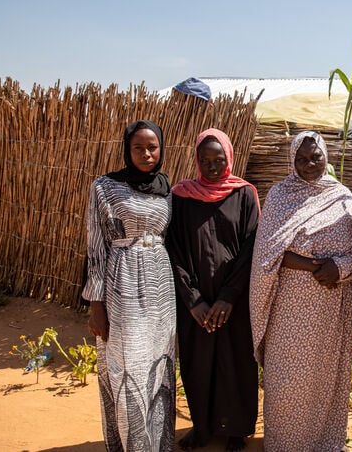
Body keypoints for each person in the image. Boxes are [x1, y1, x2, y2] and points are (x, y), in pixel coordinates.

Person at [249, 131, 352, 452]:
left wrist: (338, 269)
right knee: (287, 384)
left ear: (326, 157)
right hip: (288, 311)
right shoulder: (279, 196)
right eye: (301, 158)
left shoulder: (343, 197)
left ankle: (325, 444)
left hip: (330, 310)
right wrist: (316, 267)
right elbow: (267, 253)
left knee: (325, 382)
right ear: (291, 160)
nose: (309, 164)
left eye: (315, 157)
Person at [83, 120, 176, 451]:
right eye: (139, 147)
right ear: (127, 149)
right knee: (128, 363)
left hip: (162, 288)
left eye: (152, 147)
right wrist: (96, 306)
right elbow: (95, 249)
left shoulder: (167, 188)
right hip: (122, 278)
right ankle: (132, 443)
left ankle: (159, 444)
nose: (147, 153)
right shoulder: (105, 187)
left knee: (160, 365)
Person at [167, 129, 259, 452]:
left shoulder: (244, 194)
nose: (212, 166)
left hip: (233, 300)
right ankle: (202, 427)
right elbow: (174, 251)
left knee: (236, 362)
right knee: (198, 363)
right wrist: (193, 301)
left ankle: (237, 430)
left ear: (229, 159)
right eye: (205, 160)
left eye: (218, 159)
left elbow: (251, 248)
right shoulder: (181, 197)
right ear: (196, 160)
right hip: (197, 304)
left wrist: (228, 297)